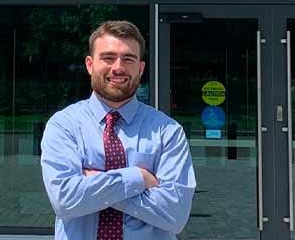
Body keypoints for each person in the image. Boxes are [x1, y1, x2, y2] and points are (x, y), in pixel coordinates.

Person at [40, 21, 196, 240]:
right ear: (89, 64)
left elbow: (175, 215)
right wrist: (138, 178)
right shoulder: (64, 125)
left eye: (128, 59)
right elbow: (65, 200)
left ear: (140, 68)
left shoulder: (167, 132)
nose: (118, 67)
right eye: (108, 57)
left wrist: (94, 185)